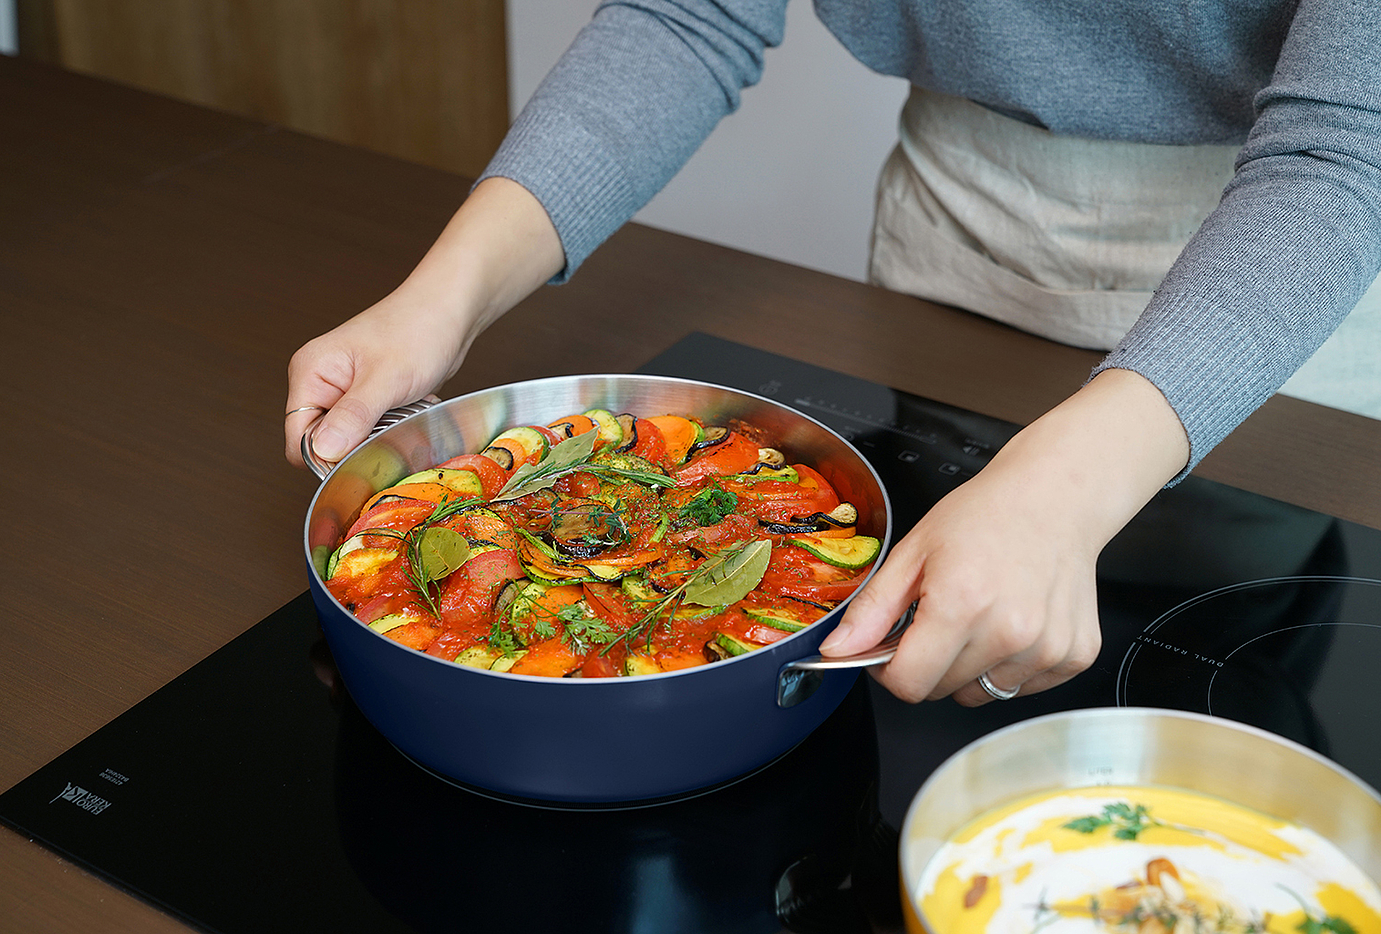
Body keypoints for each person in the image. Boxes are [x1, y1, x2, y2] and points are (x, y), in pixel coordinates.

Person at [285, 0, 1381, 708]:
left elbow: (1339, 152)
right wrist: (440, 300)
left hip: (1271, 306)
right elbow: (687, 14)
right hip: (954, 241)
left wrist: (1059, 486)